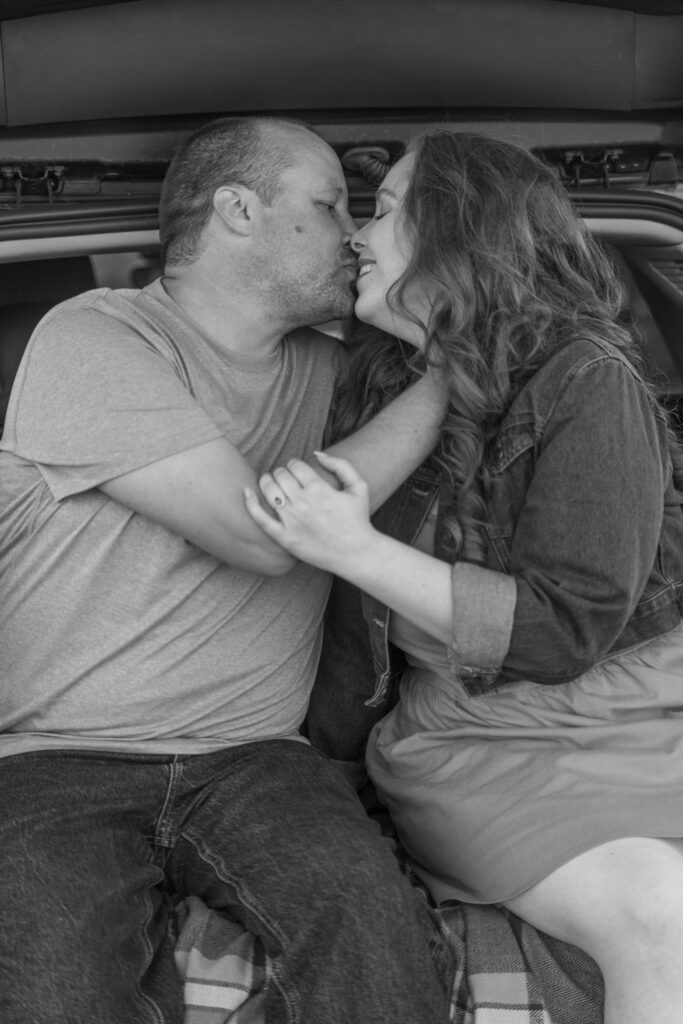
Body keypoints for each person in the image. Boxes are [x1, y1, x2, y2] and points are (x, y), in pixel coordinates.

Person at [0, 117, 456, 1024]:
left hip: (257, 760)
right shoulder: (95, 333)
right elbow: (265, 532)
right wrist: (446, 382)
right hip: (54, 759)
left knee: (383, 949)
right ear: (238, 210)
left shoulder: (347, 377)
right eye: (329, 206)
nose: (355, 235)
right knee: (52, 996)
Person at [245, 129, 683, 1024]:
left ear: (460, 231)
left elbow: (564, 629)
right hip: (477, 748)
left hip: (628, 714)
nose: (358, 237)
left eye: (385, 210)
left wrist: (355, 547)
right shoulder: (383, 379)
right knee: (657, 915)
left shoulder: (584, 379)